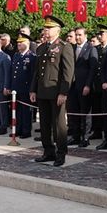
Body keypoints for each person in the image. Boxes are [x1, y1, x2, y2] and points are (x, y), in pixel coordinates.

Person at [30, 16, 75, 167]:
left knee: (58, 125)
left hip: (56, 92)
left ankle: (61, 153)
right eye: (45, 28)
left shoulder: (64, 46)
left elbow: (68, 72)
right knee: (44, 124)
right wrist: (33, 89)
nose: (46, 31)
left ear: (57, 30)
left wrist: (64, 92)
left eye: (49, 28)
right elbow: (37, 72)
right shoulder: (41, 47)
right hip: (42, 91)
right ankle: (48, 151)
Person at [67, 27, 97, 147]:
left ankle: (85, 137)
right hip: (72, 86)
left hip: (84, 85)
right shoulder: (72, 48)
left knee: (85, 112)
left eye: (80, 35)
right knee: (73, 111)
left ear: (85, 35)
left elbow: (92, 69)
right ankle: (75, 136)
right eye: (76, 35)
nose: (78, 37)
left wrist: (88, 85)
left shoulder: (91, 49)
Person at [6, 33, 37, 138]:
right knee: (17, 110)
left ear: (27, 43)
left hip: (26, 88)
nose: (18, 44)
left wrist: (32, 89)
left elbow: (33, 75)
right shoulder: (16, 55)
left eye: (21, 42)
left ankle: (26, 131)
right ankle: (18, 129)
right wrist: (10, 86)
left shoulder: (31, 57)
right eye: (18, 42)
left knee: (25, 111)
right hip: (16, 88)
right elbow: (12, 72)